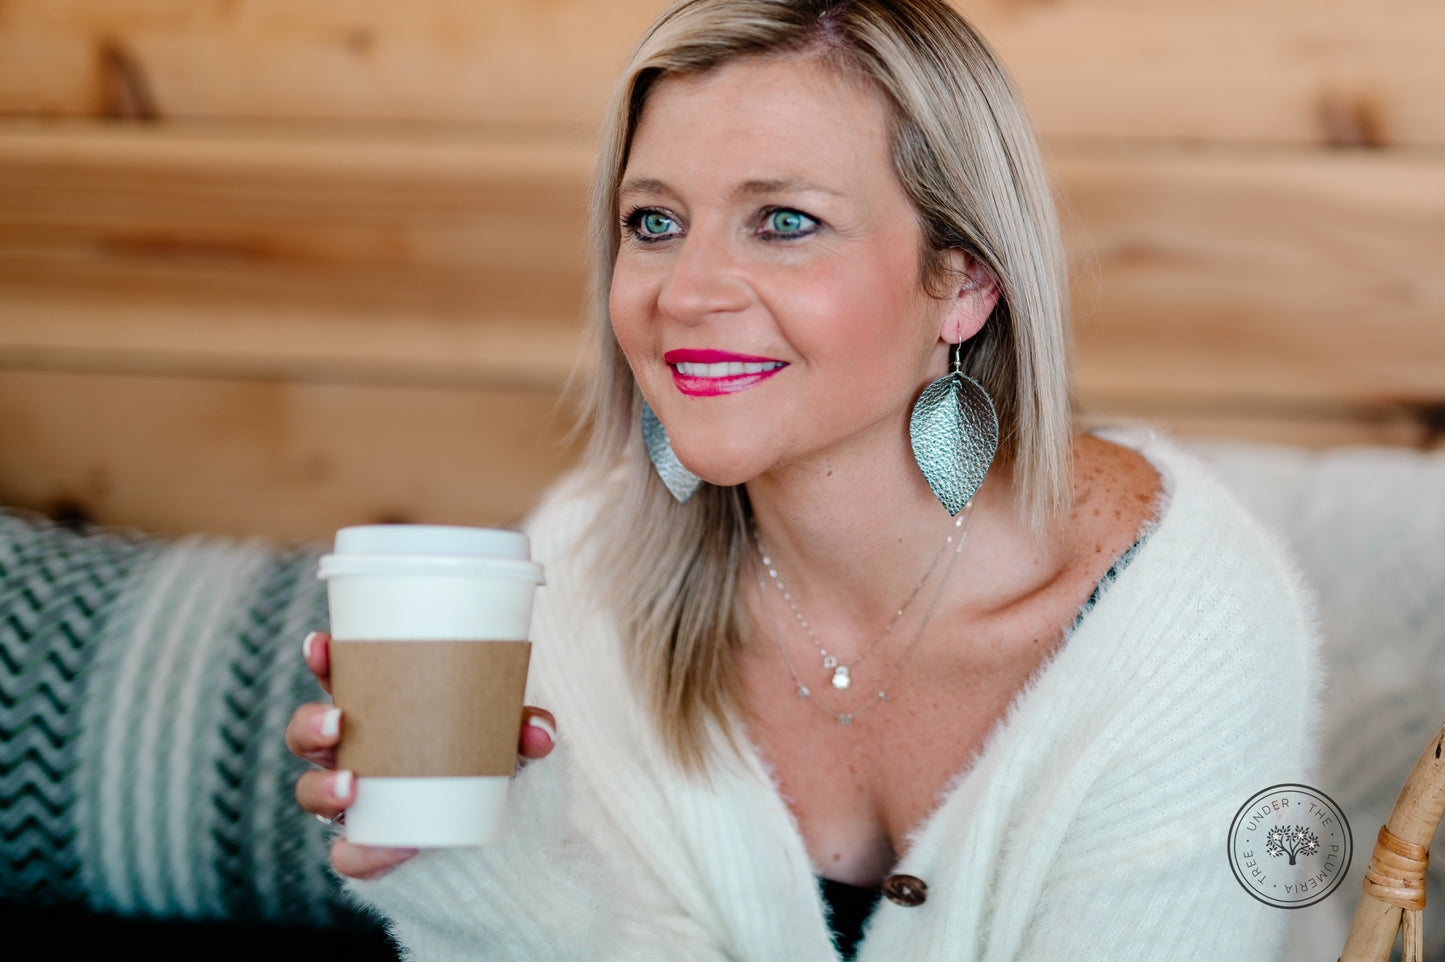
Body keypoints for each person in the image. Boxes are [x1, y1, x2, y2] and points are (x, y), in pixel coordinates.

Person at [286, 1, 1320, 958]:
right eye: (653, 222)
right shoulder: (583, 566)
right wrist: (482, 871)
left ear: (960, 282)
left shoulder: (1187, 626)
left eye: (782, 220)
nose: (684, 294)